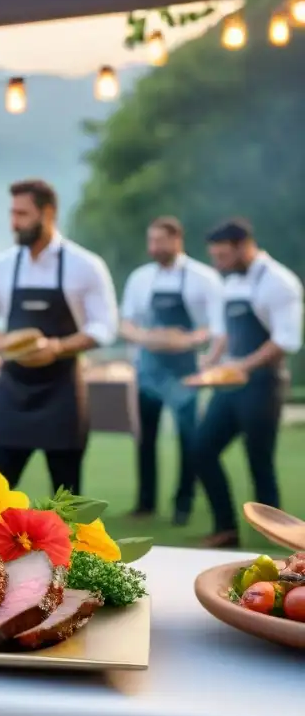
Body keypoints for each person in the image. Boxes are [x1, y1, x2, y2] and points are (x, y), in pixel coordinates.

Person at [0, 179, 118, 495]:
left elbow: (104, 327)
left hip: (62, 391)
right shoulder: (1, 266)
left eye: (22, 214)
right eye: (12, 214)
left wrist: (57, 347)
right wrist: (2, 344)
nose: (14, 223)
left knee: (67, 500)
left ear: (47, 213)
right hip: (11, 390)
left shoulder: (85, 265)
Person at [196, 219, 303, 548]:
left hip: (263, 385)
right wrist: (209, 364)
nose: (218, 263)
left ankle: (275, 535)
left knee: (259, 460)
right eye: (214, 256)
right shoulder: (231, 283)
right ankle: (226, 528)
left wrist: (243, 366)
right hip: (230, 386)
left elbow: (286, 340)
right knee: (201, 450)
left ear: (243, 246)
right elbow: (227, 334)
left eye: (223, 256)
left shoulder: (279, 282)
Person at [119, 217, 224, 525]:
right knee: (145, 438)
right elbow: (126, 323)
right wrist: (149, 338)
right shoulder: (140, 278)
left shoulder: (203, 278)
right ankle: (145, 502)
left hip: (185, 371)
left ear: (177, 240)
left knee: (188, 438)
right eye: (151, 241)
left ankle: (183, 504)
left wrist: (187, 340)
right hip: (148, 369)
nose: (154, 248)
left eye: (160, 241)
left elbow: (215, 328)